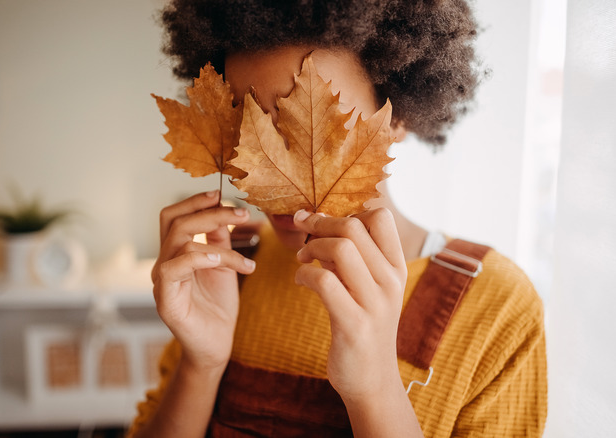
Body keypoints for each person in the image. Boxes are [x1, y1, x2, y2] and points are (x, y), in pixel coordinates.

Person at [128, 1, 547, 437]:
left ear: (397, 113)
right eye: (241, 125)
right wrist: (201, 365)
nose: (266, 174)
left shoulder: (499, 309)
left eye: (309, 123)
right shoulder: (221, 270)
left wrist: (376, 389)